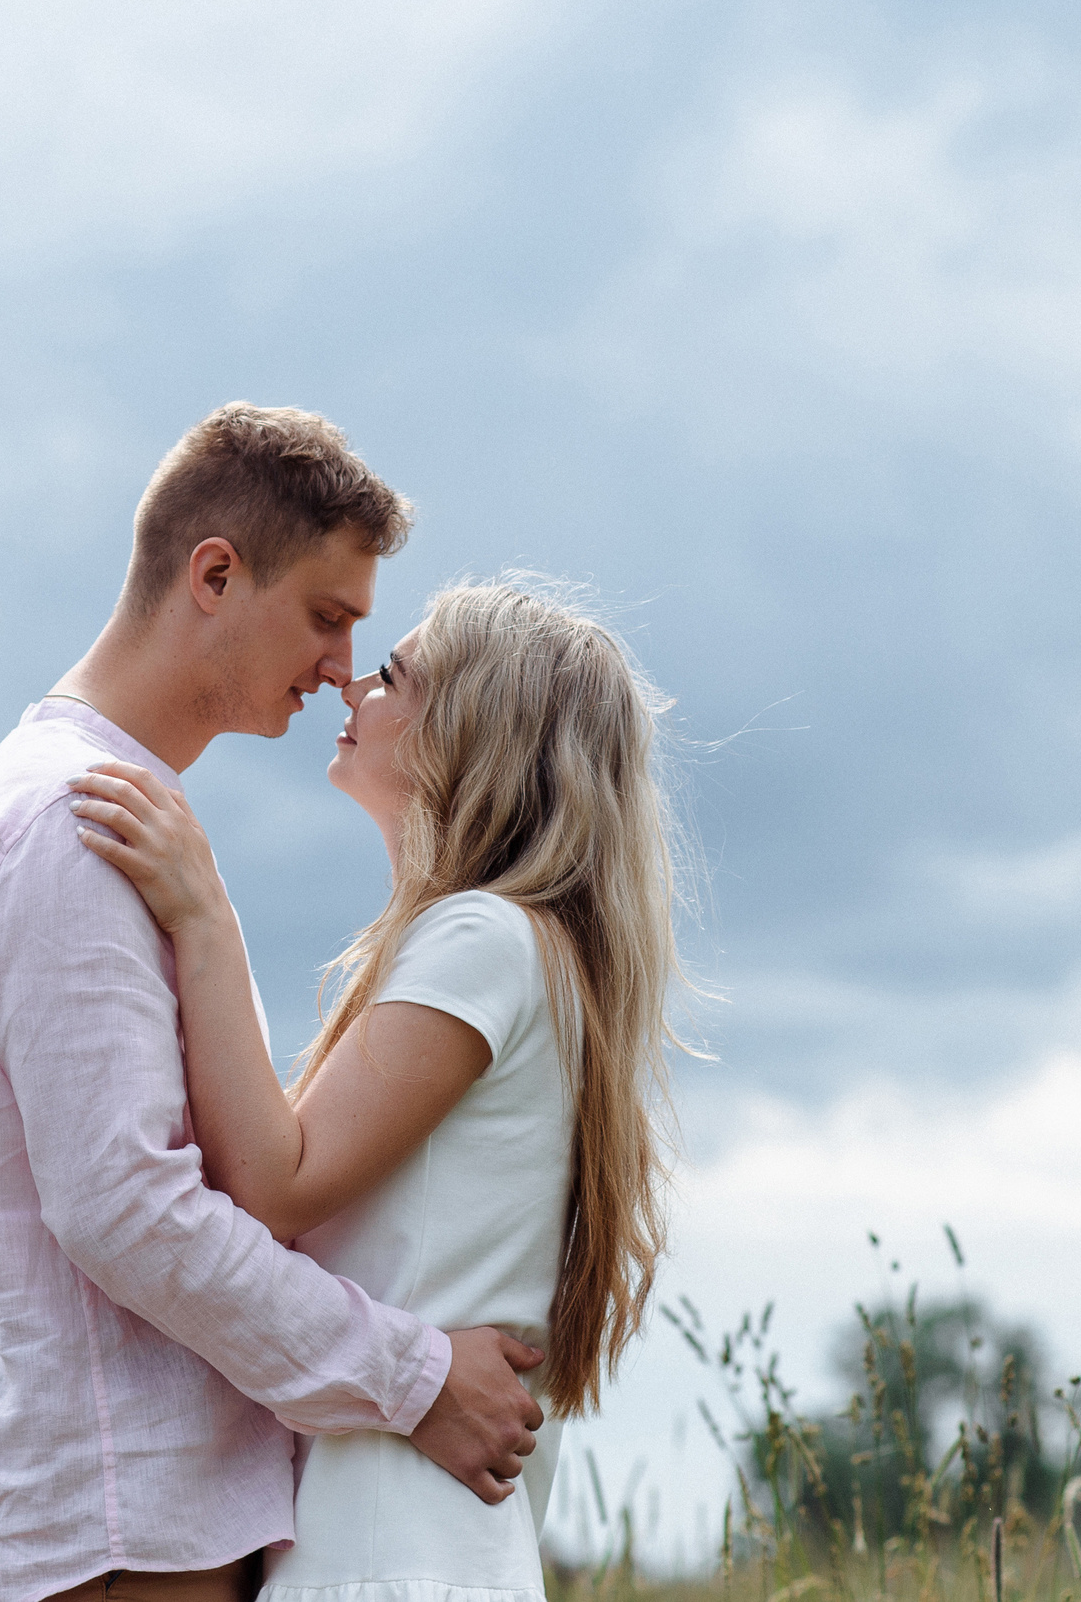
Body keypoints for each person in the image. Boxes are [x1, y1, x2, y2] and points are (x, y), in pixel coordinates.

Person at [0, 404, 548, 1602]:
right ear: (214, 575)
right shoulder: (79, 820)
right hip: (117, 1529)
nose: (342, 666)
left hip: (135, 1522)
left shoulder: (118, 813)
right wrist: (413, 1378)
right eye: (326, 616)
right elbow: (126, 1209)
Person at [64, 577, 689, 1599]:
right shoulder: (527, 952)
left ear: (470, 732)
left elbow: (275, 1182)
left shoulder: (483, 937)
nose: (353, 685)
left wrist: (202, 913)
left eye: (395, 674)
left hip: (384, 1545)